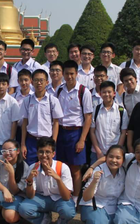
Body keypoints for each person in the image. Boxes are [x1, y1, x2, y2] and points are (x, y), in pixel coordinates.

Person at [56, 60, 93, 204]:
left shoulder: (84, 91)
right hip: (61, 132)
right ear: (63, 74)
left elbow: (88, 117)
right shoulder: (59, 90)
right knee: (61, 167)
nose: (69, 76)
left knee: (75, 169)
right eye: (66, 74)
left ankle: (76, 198)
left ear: (76, 74)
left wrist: (82, 139)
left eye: (72, 73)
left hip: (75, 133)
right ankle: (64, 195)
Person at [18, 137, 75, 224]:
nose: (44, 155)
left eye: (47, 152)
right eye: (41, 152)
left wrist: (58, 179)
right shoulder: (33, 167)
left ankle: (61, 222)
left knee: (68, 212)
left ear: (53, 154)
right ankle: (44, 219)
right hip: (41, 197)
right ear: (37, 153)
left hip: (59, 198)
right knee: (23, 209)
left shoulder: (62, 167)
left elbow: (67, 197)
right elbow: (30, 196)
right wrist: (29, 181)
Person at [20, 69, 63, 165]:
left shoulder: (53, 100)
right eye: (36, 80)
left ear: (47, 82)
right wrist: (23, 144)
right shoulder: (27, 100)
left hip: (47, 141)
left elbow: (56, 123)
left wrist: (53, 143)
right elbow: (25, 122)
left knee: (48, 169)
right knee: (30, 169)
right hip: (31, 141)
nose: (38, 83)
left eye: (41, 80)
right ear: (32, 82)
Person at [0, 139, 29, 224]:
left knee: (10, 216)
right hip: (1, 193)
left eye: (10, 150)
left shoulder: (24, 166)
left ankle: (5, 214)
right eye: (4, 150)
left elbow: (14, 191)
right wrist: (4, 190)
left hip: (14, 197)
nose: (7, 153)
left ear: (18, 151)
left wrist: (11, 173)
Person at [80, 145, 127, 224]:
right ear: (106, 157)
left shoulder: (123, 171)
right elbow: (86, 197)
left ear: (123, 160)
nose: (114, 160)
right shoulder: (98, 170)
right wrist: (94, 181)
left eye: (118, 158)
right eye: (111, 157)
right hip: (95, 204)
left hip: (114, 206)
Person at [0, 73, 20, 169]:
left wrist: (11, 140)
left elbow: (15, 122)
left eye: (3, 84)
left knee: (6, 168)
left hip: (6, 141)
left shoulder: (12, 102)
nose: (0, 86)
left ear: (8, 85)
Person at [90, 81, 129, 164]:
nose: (107, 94)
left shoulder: (121, 111)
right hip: (97, 152)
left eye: (109, 92)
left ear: (114, 93)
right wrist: (98, 151)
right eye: (104, 92)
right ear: (100, 94)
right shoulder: (95, 110)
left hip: (115, 154)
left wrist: (117, 150)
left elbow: (123, 133)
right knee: (95, 175)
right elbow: (92, 132)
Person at [11, 69, 34, 143]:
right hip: (17, 129)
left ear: (31, 80)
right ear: (18, 81)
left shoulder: (34, 97)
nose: (24, 83)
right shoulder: (13, 97)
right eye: (21, 80)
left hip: (30, 130)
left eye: (26, 80)